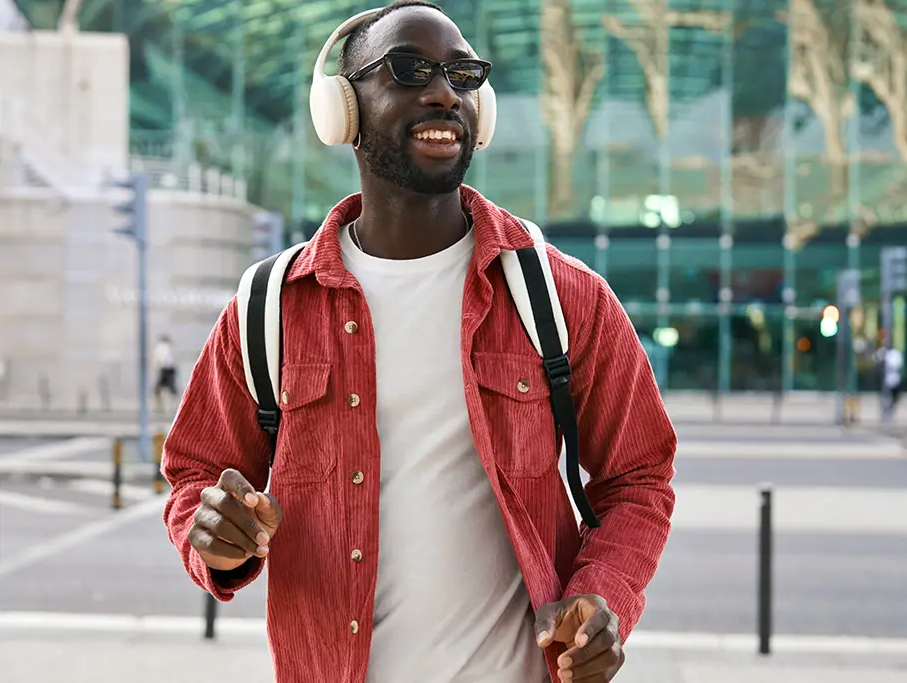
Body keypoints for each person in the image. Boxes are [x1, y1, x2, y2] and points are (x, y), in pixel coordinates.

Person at [161, 3, 677, 682]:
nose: (443, 93)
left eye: (462, 75)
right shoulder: (269, 308)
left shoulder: (563, 297)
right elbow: (195, 472)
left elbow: (639, 475)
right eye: (407, 70)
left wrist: (601, 593)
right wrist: (214, 534)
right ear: (341, 109)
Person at [153, 333, 178, 412]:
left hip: (164, 369)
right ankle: (175, 405)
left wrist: (159, 367)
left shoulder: (160, 347)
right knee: (171, 389)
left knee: (158, 389)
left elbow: (161, 359)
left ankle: (160, 406)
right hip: (169, 369)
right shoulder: (167, 347)